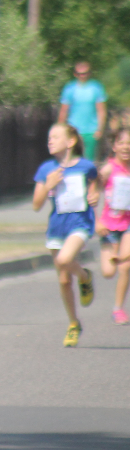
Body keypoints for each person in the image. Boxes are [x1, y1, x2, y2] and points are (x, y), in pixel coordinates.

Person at [32, 123, 98, 347]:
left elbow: (96, 180)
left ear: (70, 142)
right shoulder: (46, 169)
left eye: (56, 137)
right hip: (56, 227)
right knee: (62, 279)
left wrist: (95, 192)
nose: (50, 140)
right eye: (49, 137)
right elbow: (36, 205)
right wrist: (47, 185)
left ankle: (85, 277)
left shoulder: (86, 166)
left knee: (65, 260)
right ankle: (73, 323)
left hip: (80, 223)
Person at [94, 128, 130, 324]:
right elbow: (92, 195)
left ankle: (118, 309)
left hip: (129, 225)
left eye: (129, 143)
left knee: (125, 267)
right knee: (109, 272)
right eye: (122, 143)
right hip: (109, 226)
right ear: (115, 146)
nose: (126, 147)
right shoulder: (108, 169)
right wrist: (96, 221)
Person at [58, 62, 107, 161]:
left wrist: (99, 129)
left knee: (89, 161)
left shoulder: (96, 88)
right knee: (72, 159)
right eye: (79, 73)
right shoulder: (69, 89)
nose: (82, 76)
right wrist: (60, 130)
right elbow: (64, 111)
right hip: (73, 130)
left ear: (89, 73)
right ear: (75, 74)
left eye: (85, 73)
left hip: (91, 131)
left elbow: (101, 111)